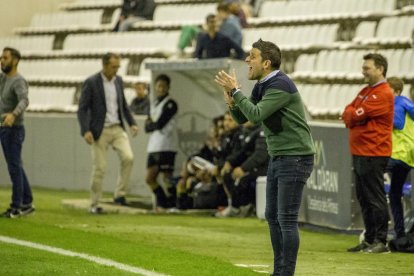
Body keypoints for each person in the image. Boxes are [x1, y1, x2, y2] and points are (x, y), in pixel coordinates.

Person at [215, 39, 315, 276]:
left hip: (295, 157)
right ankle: (279, 271)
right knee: (273, 216)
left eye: (252, 56)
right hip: (279, 156)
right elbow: (243, 119)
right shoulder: (264, 84)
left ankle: (285, 273)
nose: (247, 60)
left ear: (266, 63)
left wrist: (237, 91)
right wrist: (232, 100)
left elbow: (257, 114)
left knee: (286, 219)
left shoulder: (279, 84)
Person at [342, 53, 394, 253]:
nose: (363, 71)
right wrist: (352, 114)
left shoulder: (383, 93)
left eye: (367, 68)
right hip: (361, 151)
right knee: (363, 197)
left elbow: (354, 115)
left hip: (374, 151)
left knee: (374, 197)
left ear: (380, 69)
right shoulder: (365, 91)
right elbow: (349, 111)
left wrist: (352, 115)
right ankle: (370, 238)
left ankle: (381, 241)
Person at [77, 52, 139, 214]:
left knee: (128, 157)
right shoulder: (91, 82)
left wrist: (132, 123)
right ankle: (94, 203)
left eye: (118, 67)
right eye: (113, 67)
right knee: (100, 168)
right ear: (104, 65)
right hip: (100, 130)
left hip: (117, 128)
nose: (116, 70)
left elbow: (123, 105)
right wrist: (86, 130)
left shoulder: (118, 81)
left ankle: (120, 194)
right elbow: (82, 109)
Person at [0, 47, 35, 218]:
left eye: (5, 58)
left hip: (14, 129)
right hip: (4, 128)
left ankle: (17, 206)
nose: (2, 61)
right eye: (1, 58)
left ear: (15, 60)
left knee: (14, 167)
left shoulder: (18, 81)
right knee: (16, 166)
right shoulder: (3, 79)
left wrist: (13, 115)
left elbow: (24, 100)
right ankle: (27, 201)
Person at [216, 121, 268, 217]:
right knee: (228, 175)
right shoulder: (247, 132)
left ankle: (242, 207)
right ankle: (236, 206)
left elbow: (260, 155)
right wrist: (230, 162)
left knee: (242, 179)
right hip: (254, 168)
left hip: (266, 168)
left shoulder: (263, 131)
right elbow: (242, 153)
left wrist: (243, 169)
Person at [145, 74, 178, 210]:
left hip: (166, 145)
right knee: (149, 178)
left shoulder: (171, 104)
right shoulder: (154, 104)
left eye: (163, 86)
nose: (161, 89)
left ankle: (173, 203)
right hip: (153, 146)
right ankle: (162, 202)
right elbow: (146, 127)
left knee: (167, 177)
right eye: (159, 86)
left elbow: (159, 124)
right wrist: (153, 124)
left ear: (168, 87)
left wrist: (153, 124)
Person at [386, 77, 414, 239]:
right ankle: (401, 233)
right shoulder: (409, 104)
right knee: (395, 193)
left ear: (396, 91)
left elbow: (395, 122)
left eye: (387, 89)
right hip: (407, 156)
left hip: (398, 154)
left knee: (370, 179)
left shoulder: (397, 103)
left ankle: (378, 230)